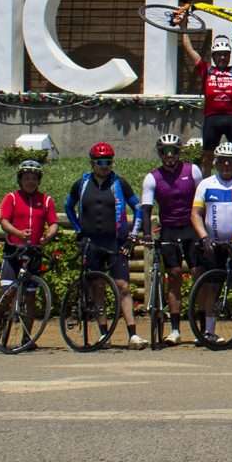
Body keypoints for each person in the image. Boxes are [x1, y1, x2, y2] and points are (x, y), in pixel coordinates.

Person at [65, 142, 140, 345]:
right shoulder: (81, 184)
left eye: (108, 161)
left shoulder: (119, 183)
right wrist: (78, 228)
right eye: (100, 162)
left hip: (115, 242)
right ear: (92, 163)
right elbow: (68, 206)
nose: (104, 166)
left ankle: (132, 333)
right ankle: (103, 333)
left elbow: (138, 207)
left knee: (123, 286)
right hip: (91, 242)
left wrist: (133, 235)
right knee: (97, 287)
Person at [191, 140, 232, 345]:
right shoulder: (206, 184)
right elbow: (195, 214)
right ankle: (209, 331)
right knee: (211, 288)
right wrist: (203, 237)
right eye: (222, 161)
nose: (226, 165)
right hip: (213, 244)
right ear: (216, 162)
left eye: (231, 161)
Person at [177, 24, 232, 180]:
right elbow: (188, 48)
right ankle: (204, 188)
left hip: (231, 119)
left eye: (225, 54)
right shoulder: (206, 70)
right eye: (219, 55)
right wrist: (183, 26)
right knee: (207, 158)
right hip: (212, 119)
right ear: (213, 56)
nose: (222, 57)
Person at [140, 133, 203, 346]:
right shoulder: (152, 177)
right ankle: (175, 329)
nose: (169, 156)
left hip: (191, 227)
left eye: (173, 151)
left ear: (179, 152)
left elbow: (202, 199)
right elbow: (146, 210)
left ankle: (202, 327)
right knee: (174, 275)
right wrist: (147, 235)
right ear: (160, 154)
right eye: (165, 152)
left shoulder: (192, 171)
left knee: (197, 274)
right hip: (168, 229)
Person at [0, 159, 58, 348]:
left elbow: (53, 223)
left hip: (34, 252)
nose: (30, 181)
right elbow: (4, 221)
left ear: (38, 180)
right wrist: (17, 233)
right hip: (14, 251)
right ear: (20, 179)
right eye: (26, 178)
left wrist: (48, 236)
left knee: (30, 296)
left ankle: (26, 337)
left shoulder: (45, 200)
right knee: (7, 292)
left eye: (33, 178)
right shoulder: (12, 198)